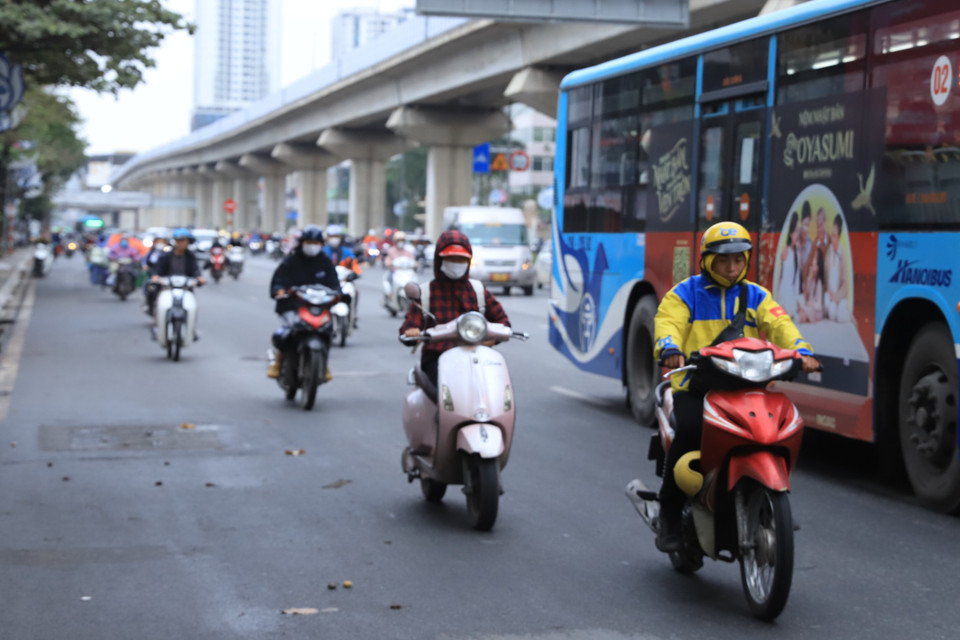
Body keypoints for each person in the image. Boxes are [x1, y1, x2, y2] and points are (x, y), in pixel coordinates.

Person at [653, 221, 819, 552]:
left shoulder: (756, 295)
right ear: (706, 261)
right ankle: (669, 514)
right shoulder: (685, 294)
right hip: (696, 389)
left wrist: (803, 353)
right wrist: (670, 349)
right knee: (688, 430)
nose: (732, 268)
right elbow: (667, 323)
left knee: (779, 427)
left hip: (746, 388)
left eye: (739, 260)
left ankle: (769, 499)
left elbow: (780, 324)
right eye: (724, 261)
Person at [400, 230, 510, 388]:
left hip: (477, 357)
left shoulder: (478, 290)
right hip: (437, 359)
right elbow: (409, 326)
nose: (456, 263)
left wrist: (491, 339)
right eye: (451, 258)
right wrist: (412, 332)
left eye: (461, 259)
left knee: (497, 386)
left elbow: (503, 322)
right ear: (440, 260)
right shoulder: (426, 293)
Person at [267, 225, 343, 379]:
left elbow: (334, 284)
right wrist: (280, 290)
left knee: (328, 331)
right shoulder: (291, 261)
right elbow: (278, 281)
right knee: (286, 333)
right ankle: (278, 361)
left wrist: (339, 294)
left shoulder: (325, 262)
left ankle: (323, 362)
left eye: (316, 243)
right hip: (293, 306)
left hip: (318, 306)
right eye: (309, 242)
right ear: (302, 243)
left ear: (321, 245)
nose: (312, 246)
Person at [824, 214, 850, 323]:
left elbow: (845, 283)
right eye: (832, 235)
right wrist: (829, 292)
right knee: (831, 311)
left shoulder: (842, 252)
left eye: (835, 236)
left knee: (840, 317)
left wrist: (836, 297)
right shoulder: (828, 251)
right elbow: (825, 277)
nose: (832, 238)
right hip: (829, 295)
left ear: (839, 237)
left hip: (839, 296)